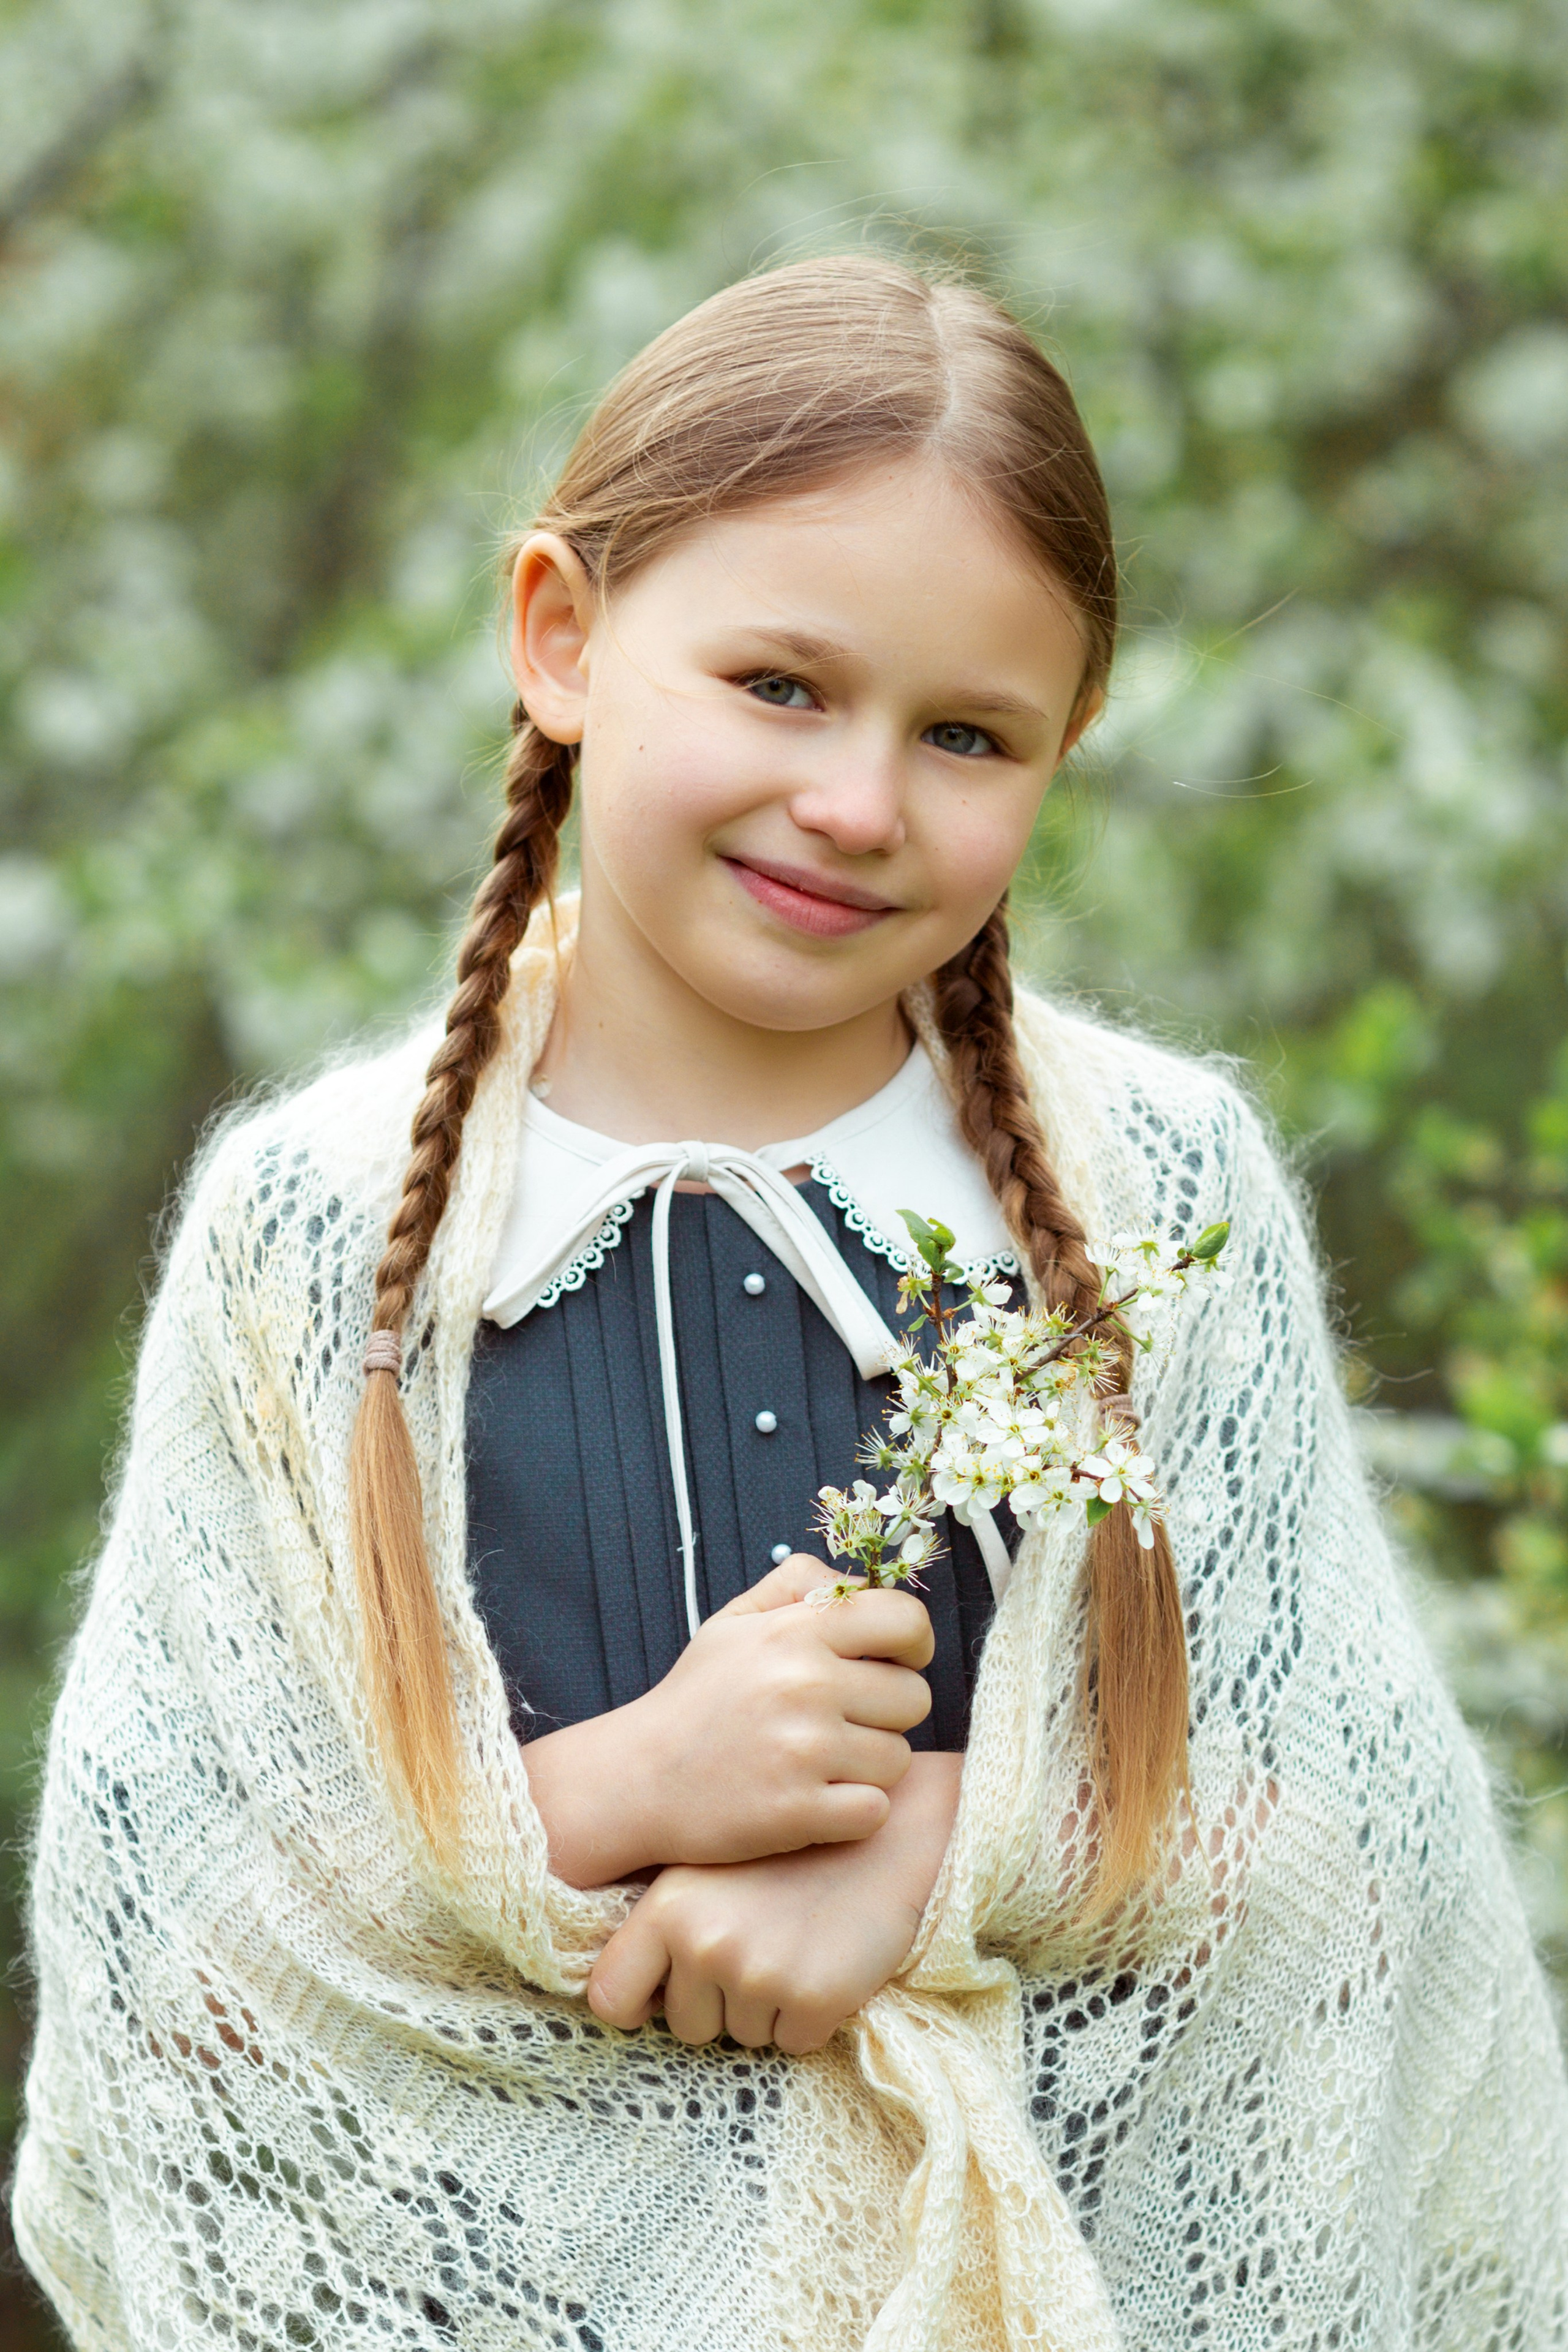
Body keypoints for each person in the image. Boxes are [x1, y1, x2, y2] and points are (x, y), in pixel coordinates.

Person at [13, 255, 1567, 2352]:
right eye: (779, 686)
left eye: (966, 734)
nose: (857, 802)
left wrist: (938, 1850)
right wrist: (610, 1796)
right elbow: (179, 1956)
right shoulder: (319, 1234)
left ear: (1065, 746)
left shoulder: (1146, 1198)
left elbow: (1351, 1865)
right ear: (561, 638)